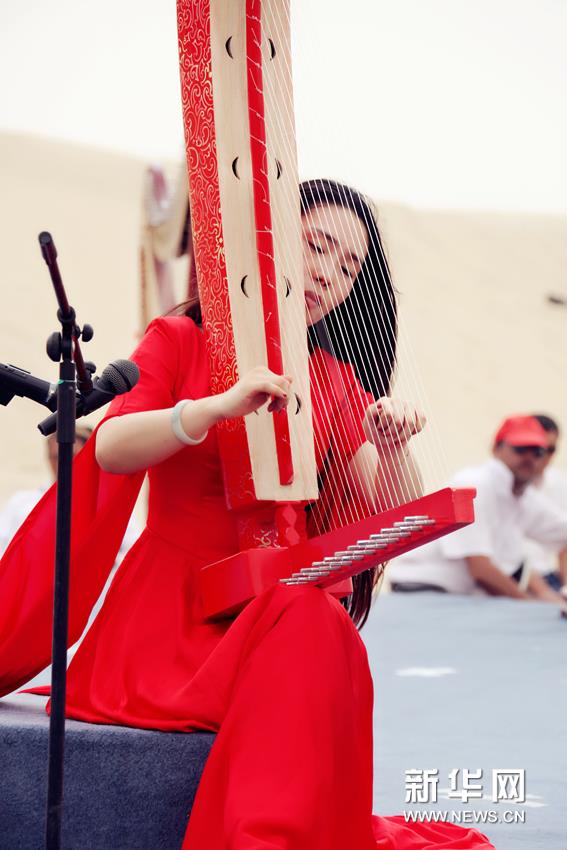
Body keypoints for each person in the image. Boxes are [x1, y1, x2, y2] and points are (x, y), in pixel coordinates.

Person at [0, 180, 494, 850]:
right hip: (163, 627)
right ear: (267, 244)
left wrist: (391, 444)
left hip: (262, 619)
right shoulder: (180, 339)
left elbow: (383, 519)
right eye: (316, 246)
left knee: (313, 616)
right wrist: (213, 409)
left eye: (349, 267)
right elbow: (112, 447)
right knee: (310, 617)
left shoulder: (333, 378)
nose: (327, 272)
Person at [389, 414, 567, 607]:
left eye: (538, 452)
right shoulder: (476, 484)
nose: (529, 458)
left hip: (459, 599)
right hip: (422, 590)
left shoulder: (525, 498)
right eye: (521, 448)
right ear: (496, 448)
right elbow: (481, 570)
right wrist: (533, 606)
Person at [0, 427, 92, 556]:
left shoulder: (105, 505)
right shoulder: (21, 503)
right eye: (56, 457)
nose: (62, 463)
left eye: (71, 455)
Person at [523, 414, 567, 593]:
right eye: (539, 448)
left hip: (549, 578)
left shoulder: (560, 483)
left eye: (551, 449)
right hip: (510, 579)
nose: (544, 456)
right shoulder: (501, 484)